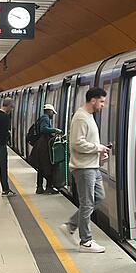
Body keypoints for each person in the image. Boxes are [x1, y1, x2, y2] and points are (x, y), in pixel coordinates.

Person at [60, 87, 110, 252]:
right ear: (93, 100)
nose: (103, 105)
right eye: (101, 101)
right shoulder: (81, 117)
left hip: (92, 166)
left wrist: (100, 153)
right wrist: (98, 148)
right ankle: (85, 242)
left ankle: (71, 225)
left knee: (99, 198)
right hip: (83, 168)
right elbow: (77, 143)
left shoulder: (88, 116)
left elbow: (86, 141)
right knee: (87, 203)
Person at [30, 104, 60, 194]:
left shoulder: (42, 118)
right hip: (44, 145)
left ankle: (39, 187)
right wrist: (55, 130)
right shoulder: (45, 118)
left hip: (40, 144)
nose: (52, 115)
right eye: (52, 113)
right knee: (48, 165)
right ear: (49, 111)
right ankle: (48, 187)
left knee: (41, 167)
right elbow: (44, 129)